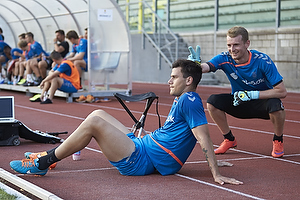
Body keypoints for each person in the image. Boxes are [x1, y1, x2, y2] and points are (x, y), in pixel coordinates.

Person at [10, 59, 243, 185]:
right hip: (145, 146)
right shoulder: (185, 97)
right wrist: (212, 161)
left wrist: (215, 173)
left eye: (173, 77)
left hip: (141, 160)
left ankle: (42, 164)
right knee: (99, 113)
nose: (168, 81)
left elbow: (202, 136)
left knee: (94, 123)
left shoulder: (190, 100)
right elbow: (186, 136)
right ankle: (49, 156)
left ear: (189, 80)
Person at [187, 26, 287, 158]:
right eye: (229, 45)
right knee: (212, 102)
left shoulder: (263, 61)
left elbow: (282, 91)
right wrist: (196, 65)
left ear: (247, 44)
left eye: (236, 45)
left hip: (262, 104)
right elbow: (206, 67)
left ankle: (278, 139)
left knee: (277, 106)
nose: (232, 49)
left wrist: (252, 95)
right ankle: (229, 139)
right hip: (239, 103)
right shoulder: (225, 58)